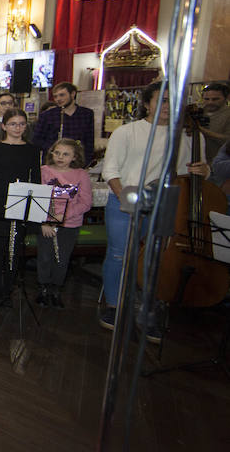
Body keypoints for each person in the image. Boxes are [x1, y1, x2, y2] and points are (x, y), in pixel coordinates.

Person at [99, 82, 209, 331]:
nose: (169, 106)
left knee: (159, 256)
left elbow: (198, 170)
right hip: (128, 196)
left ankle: (150, 305)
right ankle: (114, 305)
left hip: (170, 202)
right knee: (120, 253)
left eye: (174, 101)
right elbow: (111, 171)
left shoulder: (190, 134)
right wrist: (127, 202)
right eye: (163, 100)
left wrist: (204, 169)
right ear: (148, 103)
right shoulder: (127, 132)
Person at [0, 108, 42, 307]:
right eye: (13, 124)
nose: (18, 128)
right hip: (1, 204)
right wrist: (3, 196)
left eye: (22, 124)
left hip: (22, 204)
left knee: (15, 250)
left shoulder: (32, 149)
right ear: (4, 126)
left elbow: (36, 179)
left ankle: (8, 289)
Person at [36, 138, 92, 308]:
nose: (60, 157)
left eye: (66, 154)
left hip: (70, 224)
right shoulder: (43, 171)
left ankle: (56, 289)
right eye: (57, 153)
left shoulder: (81, 174)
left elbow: (85, 202)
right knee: (45, 257)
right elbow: (38, 198)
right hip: (46, 223)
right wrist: (45, 221)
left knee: (62, 259)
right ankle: (44, 288)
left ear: (74, 157)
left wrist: (62, 217)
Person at [32, 82, 95, 167]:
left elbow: (89, 142)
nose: (58, 99)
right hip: (53, 163)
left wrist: (85, 162)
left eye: (62, 95)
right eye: (55, 96)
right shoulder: (47, 115)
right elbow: (36, 140)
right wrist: (54, 149)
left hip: (76, 164)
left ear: (73, 94)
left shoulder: (87, 114)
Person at [199, 82, 230, 164]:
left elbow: (227, 140)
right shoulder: (197, 111)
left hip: (220, 164)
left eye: (215, 99)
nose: (210, 102)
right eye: (206, 99)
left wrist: (202, 130)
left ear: (226, 98)